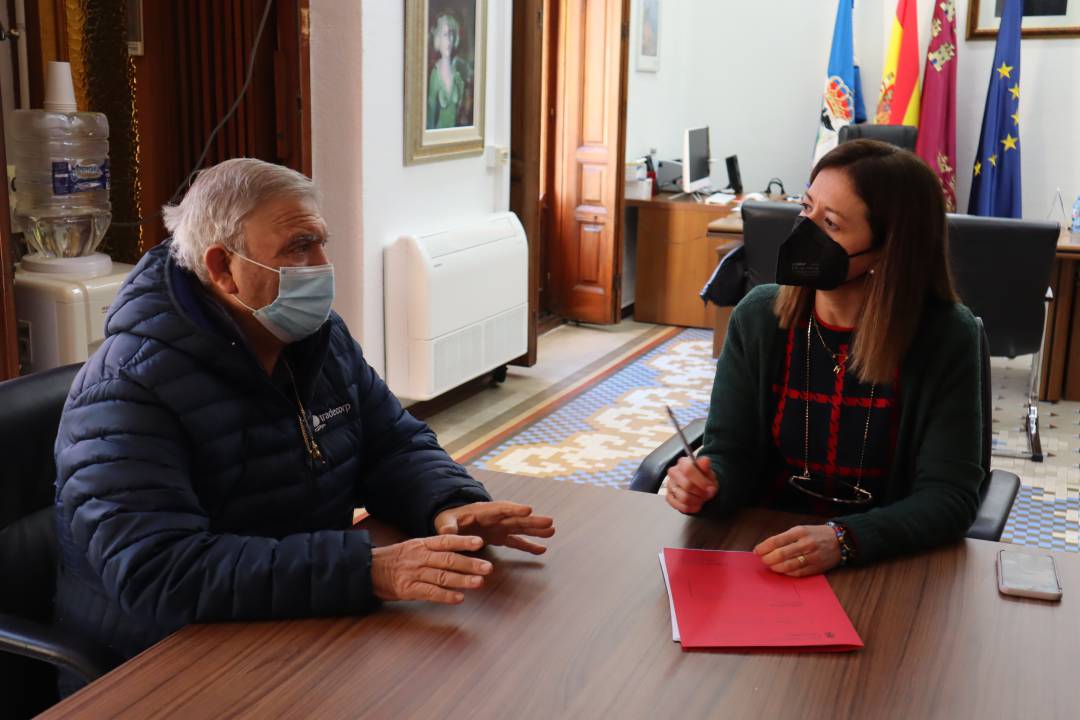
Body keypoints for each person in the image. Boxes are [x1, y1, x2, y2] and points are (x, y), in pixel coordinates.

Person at [53, 158, 554, 677]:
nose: (321, 265)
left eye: (319, 242)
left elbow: (392, 444)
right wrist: (364, 570)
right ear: (223, 268)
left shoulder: (317, 340)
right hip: (154, 664)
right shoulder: (127, 389)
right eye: (298, 248)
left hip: (290, 627)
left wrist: (448, 502)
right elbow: (159, 573)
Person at [665, 139, 982, 575]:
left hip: (883, 564)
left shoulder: (945, 336)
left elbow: (949, 498)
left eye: (830, 224)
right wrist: (709, 483)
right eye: (806, 208)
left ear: (887, 250)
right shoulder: (759, 317)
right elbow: (731, 454)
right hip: (764, 552)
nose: (805, 232)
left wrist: (845, 539)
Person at [427, 12, 466, 129]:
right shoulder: (435, 75)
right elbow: (429, 119)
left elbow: (461, 117)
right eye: (445, 35)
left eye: (451, 34)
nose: (449, 40)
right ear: (438, 38)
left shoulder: (458, 77)